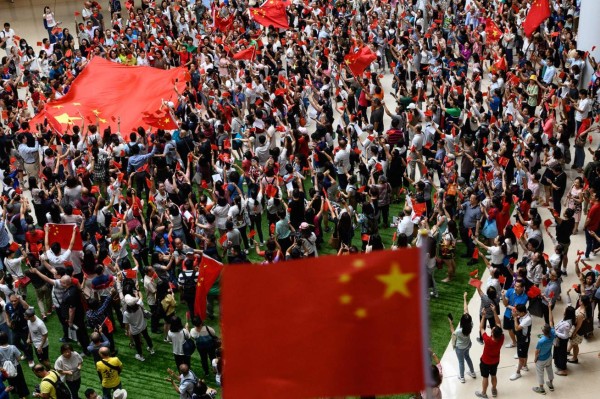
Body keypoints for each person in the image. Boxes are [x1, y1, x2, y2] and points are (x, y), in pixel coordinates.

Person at [476, 303, 503, 399]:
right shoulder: (501, 338)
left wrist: (483, 316)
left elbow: (481, 328)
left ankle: (483, 393)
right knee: (494, 375)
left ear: (492, 333)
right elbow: (498, 324)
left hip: (485, 361)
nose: (493, 327)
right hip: (495, 361)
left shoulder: (487, 340)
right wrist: (495, 311)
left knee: (485, 377)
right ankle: (494, 389)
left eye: (492, 329)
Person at [448, 292, 476, 383]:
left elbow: (453, 333)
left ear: (462, 322)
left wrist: (450, 323)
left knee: (461, 362)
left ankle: (462, 377)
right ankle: (472, 372)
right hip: (468, 345)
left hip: (460, 348)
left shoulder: (459, 331)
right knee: (467, 357)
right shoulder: (470, 324)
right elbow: (466, 309)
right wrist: (465, 298)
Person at [532, 306, 556, 395]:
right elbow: (551, 320)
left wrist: (535, 358)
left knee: (540, 373)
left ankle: (541, 389)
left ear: (543, 332)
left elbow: (537, 351)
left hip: (541, 360)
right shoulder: (553, 333)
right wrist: (549, 308)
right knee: (549, 370)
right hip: (549, 356)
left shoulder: (541, 341)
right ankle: (550, 384)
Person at [0, 331, 29, 398]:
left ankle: (13, 390)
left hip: (5, 369)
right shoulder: (13, 347)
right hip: (16, 367)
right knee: (20, 381)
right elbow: (18, 358)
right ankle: (22, 395)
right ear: (7, 339)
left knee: (10, 380)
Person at [509, 304, 532, 381]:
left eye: (518, 312)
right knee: (524, 354)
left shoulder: (527, 319)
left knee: (520, 358)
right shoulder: (525, 314)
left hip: (523, 340)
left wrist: (515, 318)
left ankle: (518, 373)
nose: (517, 314)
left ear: (522, 312)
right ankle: (524, 366)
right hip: (523, 339)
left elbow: (517, 328)